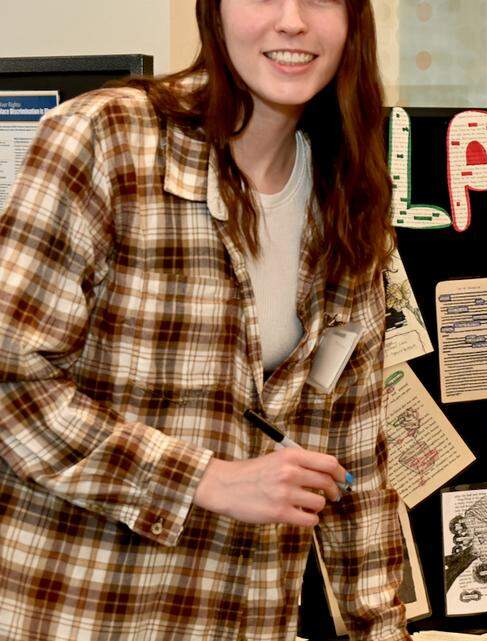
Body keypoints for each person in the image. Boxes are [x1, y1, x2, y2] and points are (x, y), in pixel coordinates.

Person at [0, 1, 405, 639]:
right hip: (78, 610)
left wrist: (379, 627)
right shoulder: (106, 139)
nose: (293, 21)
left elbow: (353, 464)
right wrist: (204, 480)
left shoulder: (350, 194)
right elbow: (11, 381)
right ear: (213, 13)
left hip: (244, 613)